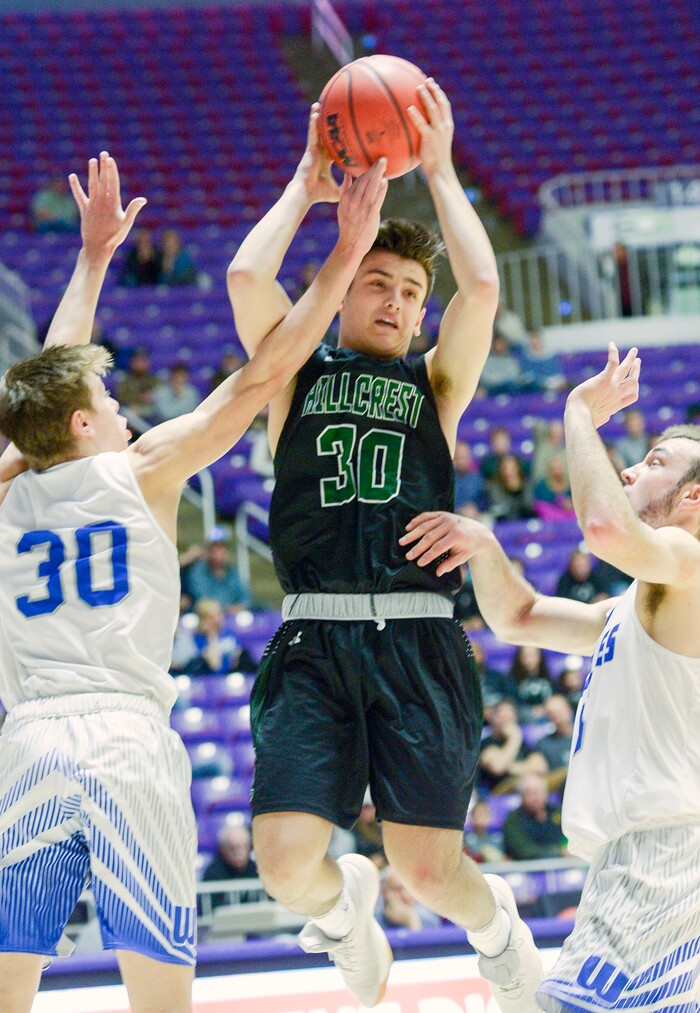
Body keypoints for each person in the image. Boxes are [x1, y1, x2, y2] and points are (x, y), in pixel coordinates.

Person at [0, 119, 367, 1012]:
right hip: (125, 734)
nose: (120, 405)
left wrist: (91, 264)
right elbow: (264, 370)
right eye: (107, 398)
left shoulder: (9, 484)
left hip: (27, 738)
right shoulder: (147, 469)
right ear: (84, 424)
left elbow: (45, 383)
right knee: (159, 991)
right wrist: (346, 249)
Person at [228, 79, 543, 1012]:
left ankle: (500, 937)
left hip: (417, 638)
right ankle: (342, 916)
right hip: (315, 639)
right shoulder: (295, 370)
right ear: (346, 285)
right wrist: (306, 188)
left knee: (430, 866)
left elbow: (482, 288)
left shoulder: (437, 387)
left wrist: (441, 170)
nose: (400, 301)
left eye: (413, 292)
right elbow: (249, 280)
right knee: (287, 865)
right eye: (380, 281)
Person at [401, 342, 700, 1010]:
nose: (629, 471)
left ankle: (503, 935)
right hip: (641, 855)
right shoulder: (638, 605)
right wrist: (484, 545)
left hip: (663, 852)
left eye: (654, 463)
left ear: (694, 496)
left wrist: (577, 414)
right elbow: (522, 615)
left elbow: (601, 527)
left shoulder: (689, 558)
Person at [502, 773, 567, 861]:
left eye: (538, 791)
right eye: (530, 793)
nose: (535, 797)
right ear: (521, 796)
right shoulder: (513, 820)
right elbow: (523, 851)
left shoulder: (557, 813)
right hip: (525, 870)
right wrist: (559, 852)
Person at [181, 537, 251, 614]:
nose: (219, 552)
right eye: (215, 548)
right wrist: (225, 609)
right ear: (208, 552)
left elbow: (245, 598)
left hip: (231, 618)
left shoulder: (233, 573)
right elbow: (202, 598)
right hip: (205, 617)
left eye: (222, 548)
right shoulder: (198, 572)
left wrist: (240, 607)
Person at [201, 824, 263, 909]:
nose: (238, 852)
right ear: (223, 848)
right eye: (233, 847)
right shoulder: (213, 873)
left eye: (243, 846)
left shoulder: (257, 871)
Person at [376, 865, 441, 931]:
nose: (405, 895)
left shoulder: (428, 918)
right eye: (397, 889)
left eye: (409, 889)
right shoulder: (374, 919)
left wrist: (410, 920)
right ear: (384, 891)